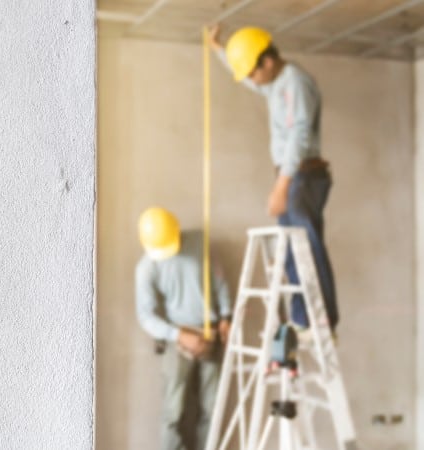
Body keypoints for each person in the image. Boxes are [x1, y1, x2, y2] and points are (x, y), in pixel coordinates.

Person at [207, 25, 338, 330]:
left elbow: (299, 135)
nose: (252, 80)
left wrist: (282, 185)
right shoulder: (274, 82)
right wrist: (218, 50)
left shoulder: (295, 83)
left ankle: (321, 318)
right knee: (293, 249)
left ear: (267, 61)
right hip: (293, 176)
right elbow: (252, 83)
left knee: (307, 245)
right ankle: (301, 316)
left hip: (303, 176)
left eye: (252, 72)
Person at [135, 207, 232, 450]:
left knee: (213, 409)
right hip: (178, 340)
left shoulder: (200, 242)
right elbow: (146, 317)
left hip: (210, 333)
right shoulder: (147, 267)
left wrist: (225, 317)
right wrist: (178, 335)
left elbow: (219, 282)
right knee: (173, 413)